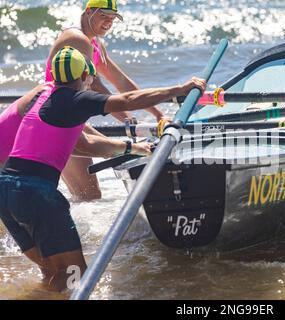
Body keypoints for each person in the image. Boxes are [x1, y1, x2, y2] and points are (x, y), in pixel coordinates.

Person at [0, 47, 206, 291]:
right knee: (76, 277)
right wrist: (179, 90)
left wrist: (134, 148)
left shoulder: (43, 96)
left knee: (52, 272)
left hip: (6, 194)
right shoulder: (76, 99)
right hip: (37, 195)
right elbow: (128, 100)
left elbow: (84, 145)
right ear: (85, 77)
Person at [46, 0, 165, 201]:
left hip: (70, 117)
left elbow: (120, 81)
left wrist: (158, 114)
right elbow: (95, 87)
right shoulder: (77, 39)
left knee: (86, 195)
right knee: (88, 195)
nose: (108, 23)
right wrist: (130, 121)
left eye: (112, 19)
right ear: (88, 12)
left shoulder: (95, 43)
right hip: (58, 119)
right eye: (104, 16)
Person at [0, 59, 151, 170]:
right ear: (83, 77)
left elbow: (78, 135)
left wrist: (115, 149)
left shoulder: (51, 94)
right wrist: (129, 148)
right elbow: (84, 145)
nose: (89, 88)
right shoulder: (55, 99)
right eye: (90, 83)